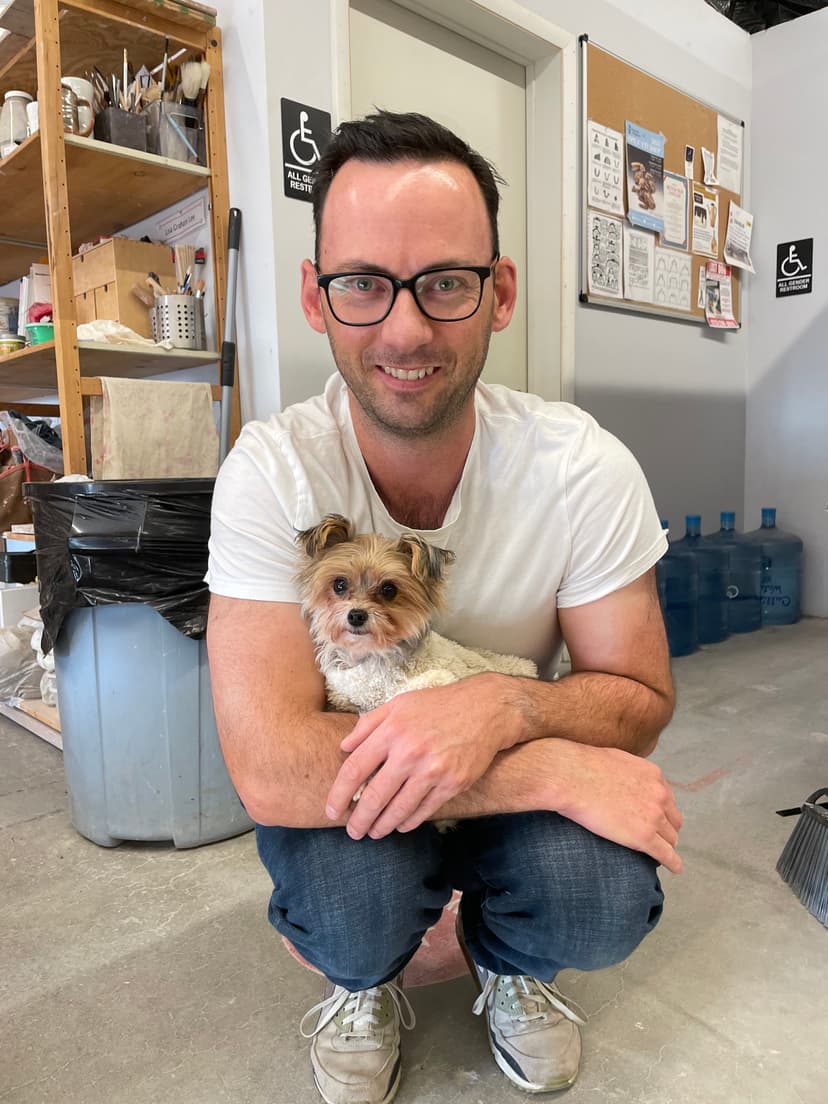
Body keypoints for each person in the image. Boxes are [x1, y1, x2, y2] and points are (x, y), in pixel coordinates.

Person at [206, 110, 682, 1104]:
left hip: (465, 738)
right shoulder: (271, 472)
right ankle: (362, 978)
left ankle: (511, 958)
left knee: (598, 898)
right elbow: (269, 769)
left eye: (447, 283)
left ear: (499, 293)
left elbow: (638, 695)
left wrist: (506, 709)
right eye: (363, 284)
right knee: (348, 907)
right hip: (381, 778)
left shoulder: (582, 466)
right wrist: (542, 769)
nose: (408, 328)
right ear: (314, 297)